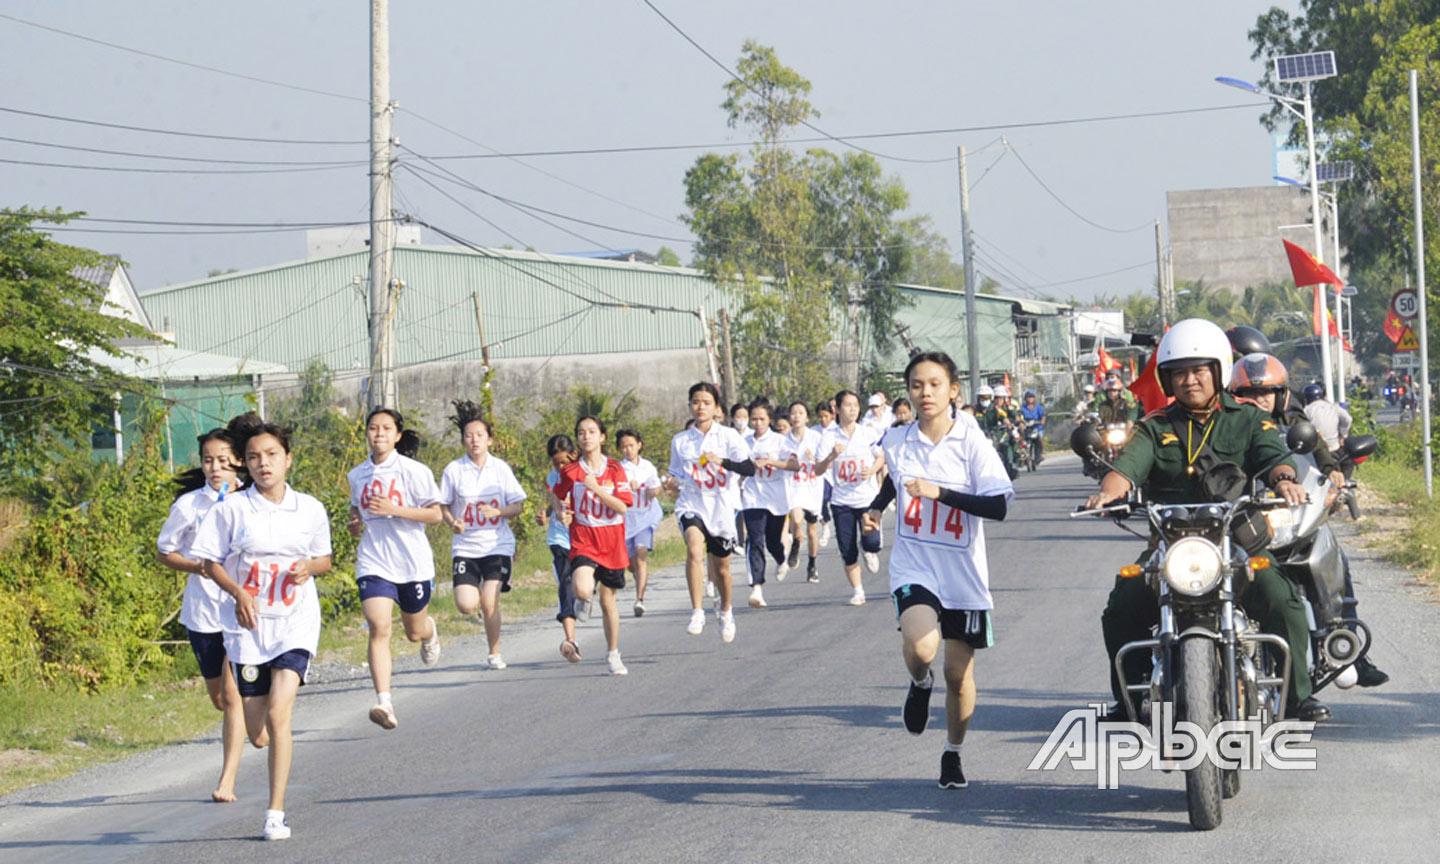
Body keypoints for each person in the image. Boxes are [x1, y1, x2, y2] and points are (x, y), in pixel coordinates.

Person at [1085, 319, 1329, 722]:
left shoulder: (1247, 419)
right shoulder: (1154, 427)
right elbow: (1126, 468)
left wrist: (1285, 481)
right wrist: (1109, 492)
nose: (1189, 380)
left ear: (1217, 370)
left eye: (1198, 370)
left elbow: (1273, 455)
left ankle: (1296, 697)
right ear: (1167, 379)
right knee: (1123, 602)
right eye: (1179, 372)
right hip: (1169, 547)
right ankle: (1131, 698)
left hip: (1235, 542)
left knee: (1282, 598)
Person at [865, 351, 1012, 789]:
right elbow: (894, 477)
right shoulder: (896, 440)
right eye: (916, 385)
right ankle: (918, 681)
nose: (925, 392)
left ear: (953, 390)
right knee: (923, 645)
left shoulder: (972, 444)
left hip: (963, 575)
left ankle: (953, 752)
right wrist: (875, 509)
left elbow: (999, 505)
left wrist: (941, 493)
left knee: (958, 674)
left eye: (934, 384)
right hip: (916, 565)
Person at [191, 414, 332, 841]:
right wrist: (238, 592)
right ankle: (273, 753)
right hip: (249, 630)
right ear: (244, 465)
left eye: (271, 455)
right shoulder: (232, 509)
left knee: (278, 712)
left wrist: (308, 566)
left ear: (288, 459)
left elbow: (324, 560)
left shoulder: (309, 507)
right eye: (253, 457)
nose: (263, 463)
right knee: (258, 733)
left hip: (295, 623)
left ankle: (275, 813)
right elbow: (209, 562)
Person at [1231, 355, 1389, 688]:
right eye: (1249, 392)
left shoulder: (1294, 419)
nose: (1259, 399)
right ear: (1234, 393)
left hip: (1289, 512)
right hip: (1247, 520)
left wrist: (1332, 470)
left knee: (1334, 557)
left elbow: (1315, 446)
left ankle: (1349, 647)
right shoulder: (1228, 427)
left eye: (1268, 392)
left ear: (1281, 394)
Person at [156, 424, 248, 804]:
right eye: (209, 460)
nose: (215, 468)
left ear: (238, 462)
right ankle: (255, 726)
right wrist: (198, 568)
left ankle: (227, 779)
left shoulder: (252, 500)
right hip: (203, 611)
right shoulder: (188, 506)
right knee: (220, 699)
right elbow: (165, 551)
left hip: (242, 609)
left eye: (224, 461)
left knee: (233, 692)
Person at [346, 409, 443, 730]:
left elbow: (435, 516)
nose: (379, 434)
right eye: (373, 428)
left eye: (387, 428)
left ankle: (429, 631)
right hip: (375, 560)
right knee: (379, 627)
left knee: (413, 632)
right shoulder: (357, 474)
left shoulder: (414, 471)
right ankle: (384, 701)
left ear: (398, 436)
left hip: (412, 562)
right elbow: (355, 512)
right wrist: (355, 524)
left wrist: (394, 509)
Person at [662, 382, 756, 642]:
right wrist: (671, 483)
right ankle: (697, 610)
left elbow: (749, 468)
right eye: (695, 402)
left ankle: (726, 611)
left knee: (722, 568)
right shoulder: (681, 440)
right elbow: (677, 474)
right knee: (693, 549)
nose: (700, 407)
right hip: (692, 503)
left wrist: (722, 461)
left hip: (721, 507)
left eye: (705, 402)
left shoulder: (728, 436)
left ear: (716, 407)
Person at [438, 402, 526, 671]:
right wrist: (453, 522)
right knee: (466, 605)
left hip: (497, 544)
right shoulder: (454, 470)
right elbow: (442, 504)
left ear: (489, 439)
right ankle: (477, 606)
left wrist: (498, 511)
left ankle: (494, 652)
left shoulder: (500, 469)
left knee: (489, 602)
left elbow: (518, 505)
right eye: (468, 436)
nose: (474, 440)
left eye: (479, 435)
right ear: (463, 440)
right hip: (466, 547)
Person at [550, 416, 635, 675]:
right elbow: (556, 494)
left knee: (608, 602)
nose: (586, 436)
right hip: (584, 538)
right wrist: (560, 513)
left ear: (602, 437)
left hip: (611, 541)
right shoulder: (570, 471)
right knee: (583, 588)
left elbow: (622, 507)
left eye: (591, 431)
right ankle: (583, 597)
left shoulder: (615, 469)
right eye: (581, 432)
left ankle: (613, 654)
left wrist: (596, 489)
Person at [816, 390, 886, 605]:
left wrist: (872, 469)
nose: (853, 409)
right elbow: (818, 469)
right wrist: (832, 456)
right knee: (847, 549)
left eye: (856, 404)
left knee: (872, 543)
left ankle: (870, 550)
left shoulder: (867, 433)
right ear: (837, 408)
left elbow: (880, 456)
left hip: (867, 499)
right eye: (847, 405)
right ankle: (858, 591)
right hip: (841, 501)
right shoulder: (829, 437)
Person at [740, 402, 791, 607]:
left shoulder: (780, 441)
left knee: (771, 541)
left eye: (762, 419)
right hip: (752, 496)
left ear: (769, 419)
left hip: (776, 497)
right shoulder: (743, 442)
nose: (758, 423)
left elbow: (793, 465)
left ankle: (781, 558)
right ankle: (757, 588)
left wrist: (770, 462)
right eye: (754, 419)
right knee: (755, 538)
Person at [540, 434, 584, 661]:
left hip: (584, 537)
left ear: (574, 455)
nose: (559, 467)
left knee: (582, 586)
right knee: (565, 582)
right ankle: (570, 639)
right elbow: (555, 499)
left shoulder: (585, 475)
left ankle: (585, 595)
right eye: (555, 463)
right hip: (559, 538)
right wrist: (550, 514)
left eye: (563, 463)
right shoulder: (553, 477)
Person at [618, 428, 663, 617]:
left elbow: (656, 486)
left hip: (645, 517)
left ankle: (639, 599)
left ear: (639, 445)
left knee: (641, 552)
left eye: (631, 445)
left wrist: (653, 492)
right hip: (626, 520)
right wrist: (628, 488)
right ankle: (637, 575)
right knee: (630, 562)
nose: (628, 450)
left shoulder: (648, 467)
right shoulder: (617, 469)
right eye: (624, 447)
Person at [781, 400, 825, 583]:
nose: (797, 416)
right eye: (793, 413)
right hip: (793, 485)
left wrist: (813, 458)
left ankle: (812, 564)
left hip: (812, 486)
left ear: (807, 417)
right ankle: (797, 540)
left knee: (813, 529)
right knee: (796, 518)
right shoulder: (784, 440)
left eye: (800, 412)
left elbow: (824, 463)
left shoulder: (816, 437)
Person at [1302, 384, 1353, 452]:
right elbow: (1348, 419)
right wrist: (1343, 435)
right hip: (1334, 447)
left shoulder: (1306, 410)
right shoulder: (1334, 407)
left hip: (1316, 450)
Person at [815, 400, 838, 548]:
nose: (823, 420)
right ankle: (825, 527)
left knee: (836, 503)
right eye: (820, 417)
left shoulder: (837, 431)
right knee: (821, 499)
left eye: (826, 416)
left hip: (836, 474)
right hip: (820, 473)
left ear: (832, 415)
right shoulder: (814, 431)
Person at [1018, 389, 1046, 463]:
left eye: (1032, 397)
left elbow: (1043, 415)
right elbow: (1019, 416)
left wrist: (1042, 421)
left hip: (1037, 428)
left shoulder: (1038, 407)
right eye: (1028, 397)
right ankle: (1023, 454)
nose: (1030, 399)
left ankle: (1039, 455)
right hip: (1027, 428)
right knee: (1021, 440)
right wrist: (1021, 422)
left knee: (1040, 440)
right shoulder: (1022, 408)